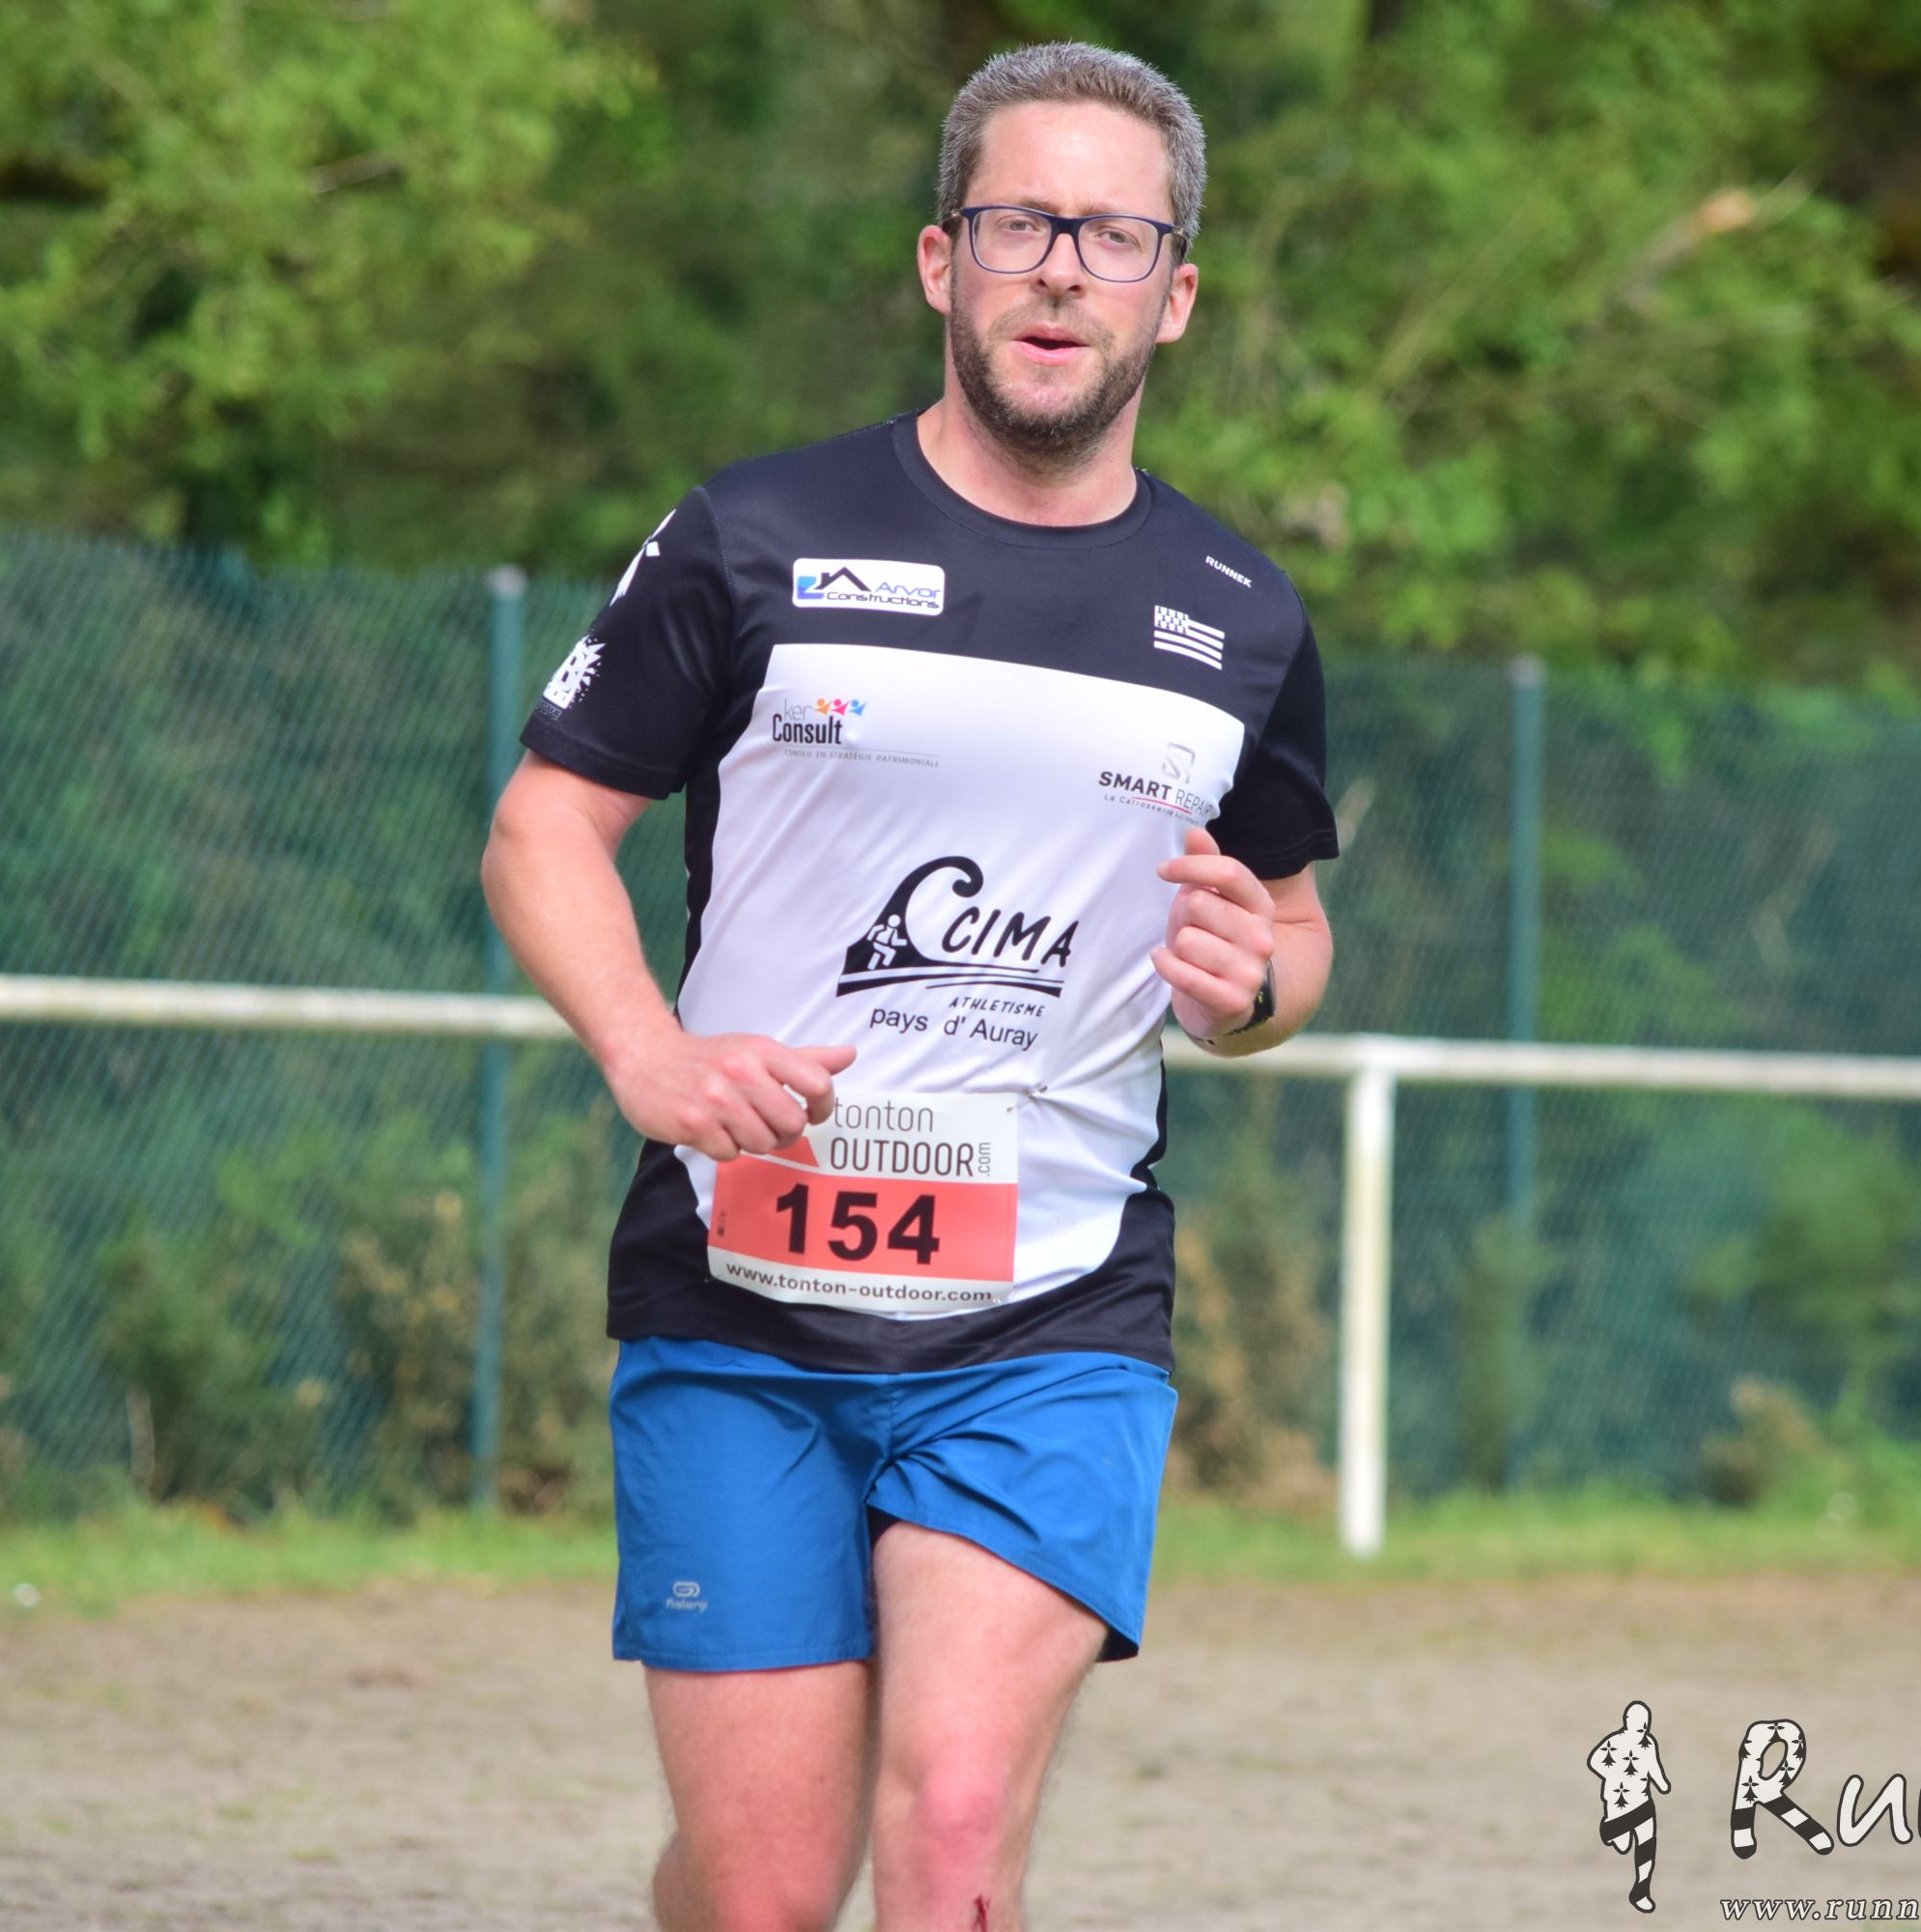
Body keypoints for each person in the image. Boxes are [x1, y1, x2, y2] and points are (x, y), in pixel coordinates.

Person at [482, 41, 1338, 1932]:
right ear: (941, 260)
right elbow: (541, 829)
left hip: (1050, 1315)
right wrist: (646, 1050)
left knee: (951, 1828)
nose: (1063, 268)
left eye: (1113, 236)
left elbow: (1286, 930)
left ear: (1175, 294)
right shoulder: (749, 536)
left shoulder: (1241, 617)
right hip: (742, 1301)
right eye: (1020, 222)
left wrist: (1255, 984)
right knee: (764, 1895)